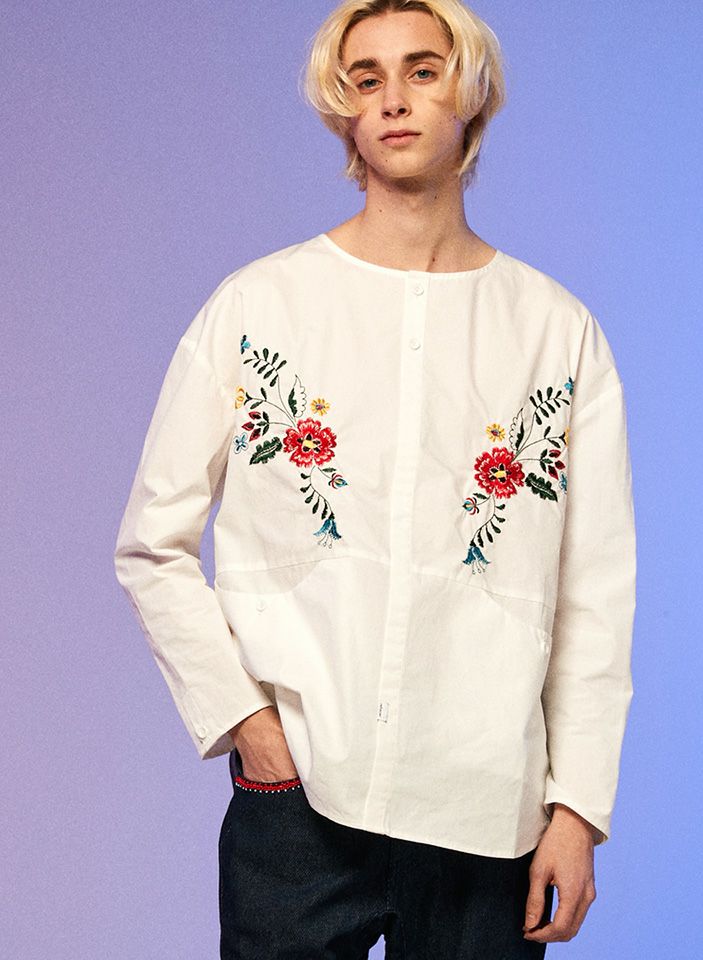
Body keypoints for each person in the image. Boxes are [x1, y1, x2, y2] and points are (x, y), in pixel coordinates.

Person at [113, 0, 637, 956]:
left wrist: (578, 810)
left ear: (470, 93)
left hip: (492, 812)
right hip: (302, 800)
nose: (394, 98)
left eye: (422, 70)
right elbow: (152, 544)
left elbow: (593, 594)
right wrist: (248, 725)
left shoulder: (557, 335)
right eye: (366, 78)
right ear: (343, 109)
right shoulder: (259, 307)